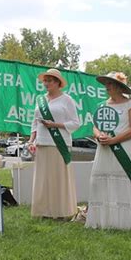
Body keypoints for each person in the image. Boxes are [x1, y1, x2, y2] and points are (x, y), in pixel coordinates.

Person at [86, 72, 131, 230]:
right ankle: (100, 221)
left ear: (119, 87)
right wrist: (98, 136)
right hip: (104, 149)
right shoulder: (102, 105)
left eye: (110, 84)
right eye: (106, 84)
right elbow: (95, 126)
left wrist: (114, 140)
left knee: (120, 183)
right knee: (99, 183)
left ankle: (120, 223)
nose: (107, 87)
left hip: (123, 148)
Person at [28, 68, 80, 220]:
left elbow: (75, 123)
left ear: (58, 83)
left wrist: (55, 125)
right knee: (43, 179)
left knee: (59, 179)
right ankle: (43, 211)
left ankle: (61, 212)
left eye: (50, 80)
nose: (46, 83)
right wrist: (31, 140)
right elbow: (35, 123)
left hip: (59, 143)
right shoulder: (40, 100)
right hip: (42, 143)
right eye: (45, 80)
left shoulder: (67, 100)